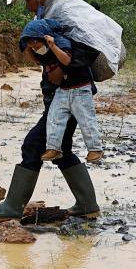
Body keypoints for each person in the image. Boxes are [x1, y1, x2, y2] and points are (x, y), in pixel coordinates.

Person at [0, 0, 123, 221]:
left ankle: (12, 207)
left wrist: (61, 71)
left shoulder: (65, 14)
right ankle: (88, 205)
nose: (26, 5)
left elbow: (82, 52)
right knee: (62, 149)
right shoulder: (52, 13)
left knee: (34, 144)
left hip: (72, 94)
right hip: (64, 95)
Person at [18, 19, 103, 164]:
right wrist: (28, 49)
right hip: (63, 90)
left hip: (80, 88)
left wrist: (53, 45)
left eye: (35, 43)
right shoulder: (44, 51)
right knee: (54, 117)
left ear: (43, 37)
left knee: (86, 119)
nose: (34, 47)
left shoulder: (61, 42)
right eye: (31, 45)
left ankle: (95, 149)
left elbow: (66, 60)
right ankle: (53, 148)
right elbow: (39, 61)